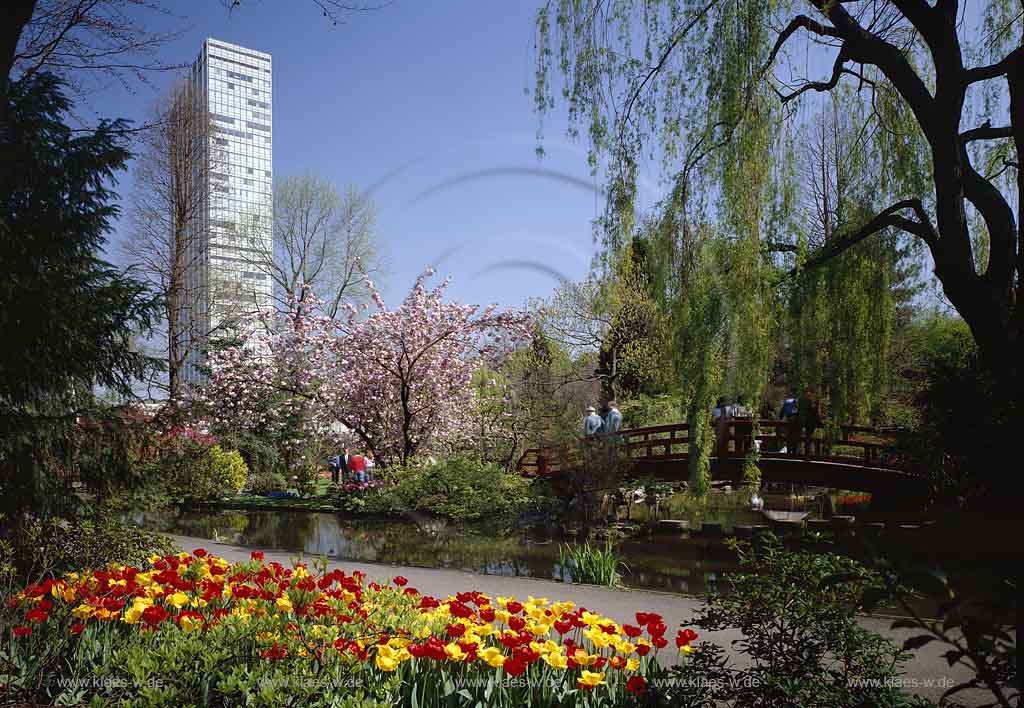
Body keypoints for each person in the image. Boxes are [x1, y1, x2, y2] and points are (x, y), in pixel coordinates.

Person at [797, 386, 822, 454]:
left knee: (807, 436)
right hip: (810, 421)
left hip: (803, 420)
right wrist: (819, 419)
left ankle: (805, 451)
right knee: (810, 436)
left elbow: (799, 409)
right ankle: (809, 452)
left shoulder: (801, 399)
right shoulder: (813, 400)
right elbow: (816, 411)